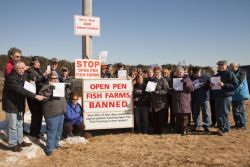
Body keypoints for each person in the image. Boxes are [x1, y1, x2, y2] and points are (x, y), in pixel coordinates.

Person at [2, 61, 45, 152]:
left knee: (19, 124)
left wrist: (28, 68)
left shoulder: (21, 76)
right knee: (12, 126)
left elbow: (32, 76)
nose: (21, 70)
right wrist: (35, 96)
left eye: (23, 68)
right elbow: (21, 90)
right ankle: (13, 144)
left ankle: (20, 141)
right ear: (15, 68)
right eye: (19, 68)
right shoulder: (11, 78)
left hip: (19, 105)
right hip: (11, 105)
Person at [39, 71, 66, 156]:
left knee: (59, 131)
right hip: (52, 113)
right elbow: (42, 96)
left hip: (61, 112)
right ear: (49, 79)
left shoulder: (60, 86)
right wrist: (51, 89)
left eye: (56, 78)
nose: (54, 80)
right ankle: (49, 149)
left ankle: (56, 144)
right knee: (51, 131)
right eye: (52, 78)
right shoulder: (45, 87)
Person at [211, 60, 239, 136]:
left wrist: (224, 85)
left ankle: (226, 129)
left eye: (222, 65)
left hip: (226, 96)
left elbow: (236, 85)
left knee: (224, 113)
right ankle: (221, 128)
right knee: (218, 113)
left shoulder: (230, 73)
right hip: (218, 96)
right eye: (219, 65)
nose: (220, 67)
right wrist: (212, 85)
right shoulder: (217, 75)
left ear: (226, 65)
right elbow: (214, 87)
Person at [25, 56, 47, 139]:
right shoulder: (30, 70)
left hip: (38, 95)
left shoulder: (38, 70)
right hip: (32, 96)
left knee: (39, 114)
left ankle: (37, 131)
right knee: (35, 114)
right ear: (33, 62)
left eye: (39, 62)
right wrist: (44, 74)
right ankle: (33, 133)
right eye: (38, 62)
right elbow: (35, 79)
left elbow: (40, 79)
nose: (39, 63)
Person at [169, 66, 194, 135]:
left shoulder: (187, 79)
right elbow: (171, 90)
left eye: (180, 72)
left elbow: (192, 88)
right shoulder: (173, 80)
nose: (179, 73)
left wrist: (185, 83)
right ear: (176, 73)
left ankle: (185, 130)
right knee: (178, 116)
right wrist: (171, 89)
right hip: (176, 100)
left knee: (184, 117)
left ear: (183, 72)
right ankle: (178, 129)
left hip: (184, 101)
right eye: (178, 72)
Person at [190, 67, 211, 133]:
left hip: (205, 98)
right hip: (195, 98)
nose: (197, 74)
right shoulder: (191, 78)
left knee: (206, 113)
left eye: (198, 73)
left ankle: (207, 126)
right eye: (195, 73)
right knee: (196, 113)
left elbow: (211, 85)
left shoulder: (207, 77)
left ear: (201, 72)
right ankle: (197, 125)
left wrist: (204, 84)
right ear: (193, 73)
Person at [149, 66, 169, 134]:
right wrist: (150, 91)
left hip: (161, 103)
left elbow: (166, 90)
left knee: (161, 118)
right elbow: (150, 91)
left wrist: (157, 92)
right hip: (154, 103)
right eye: (155, 72)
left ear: (160, 72)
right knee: (154, 118)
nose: (156, 73)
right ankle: (156, 129)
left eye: (158, 72)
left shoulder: (164, 80)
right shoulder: (152, 80)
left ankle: (162, 130)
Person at [230, 63, 250, 129]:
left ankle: (242, 124)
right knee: (234, 110)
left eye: (234, 66)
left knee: (240, 109)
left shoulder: (242, 73)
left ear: (237, 66)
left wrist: (227, 84)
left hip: (240, 94)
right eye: (231, 67)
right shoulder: (230, 73)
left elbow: (238, 81)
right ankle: (237, 124)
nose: (233, 68)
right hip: (233, 94)